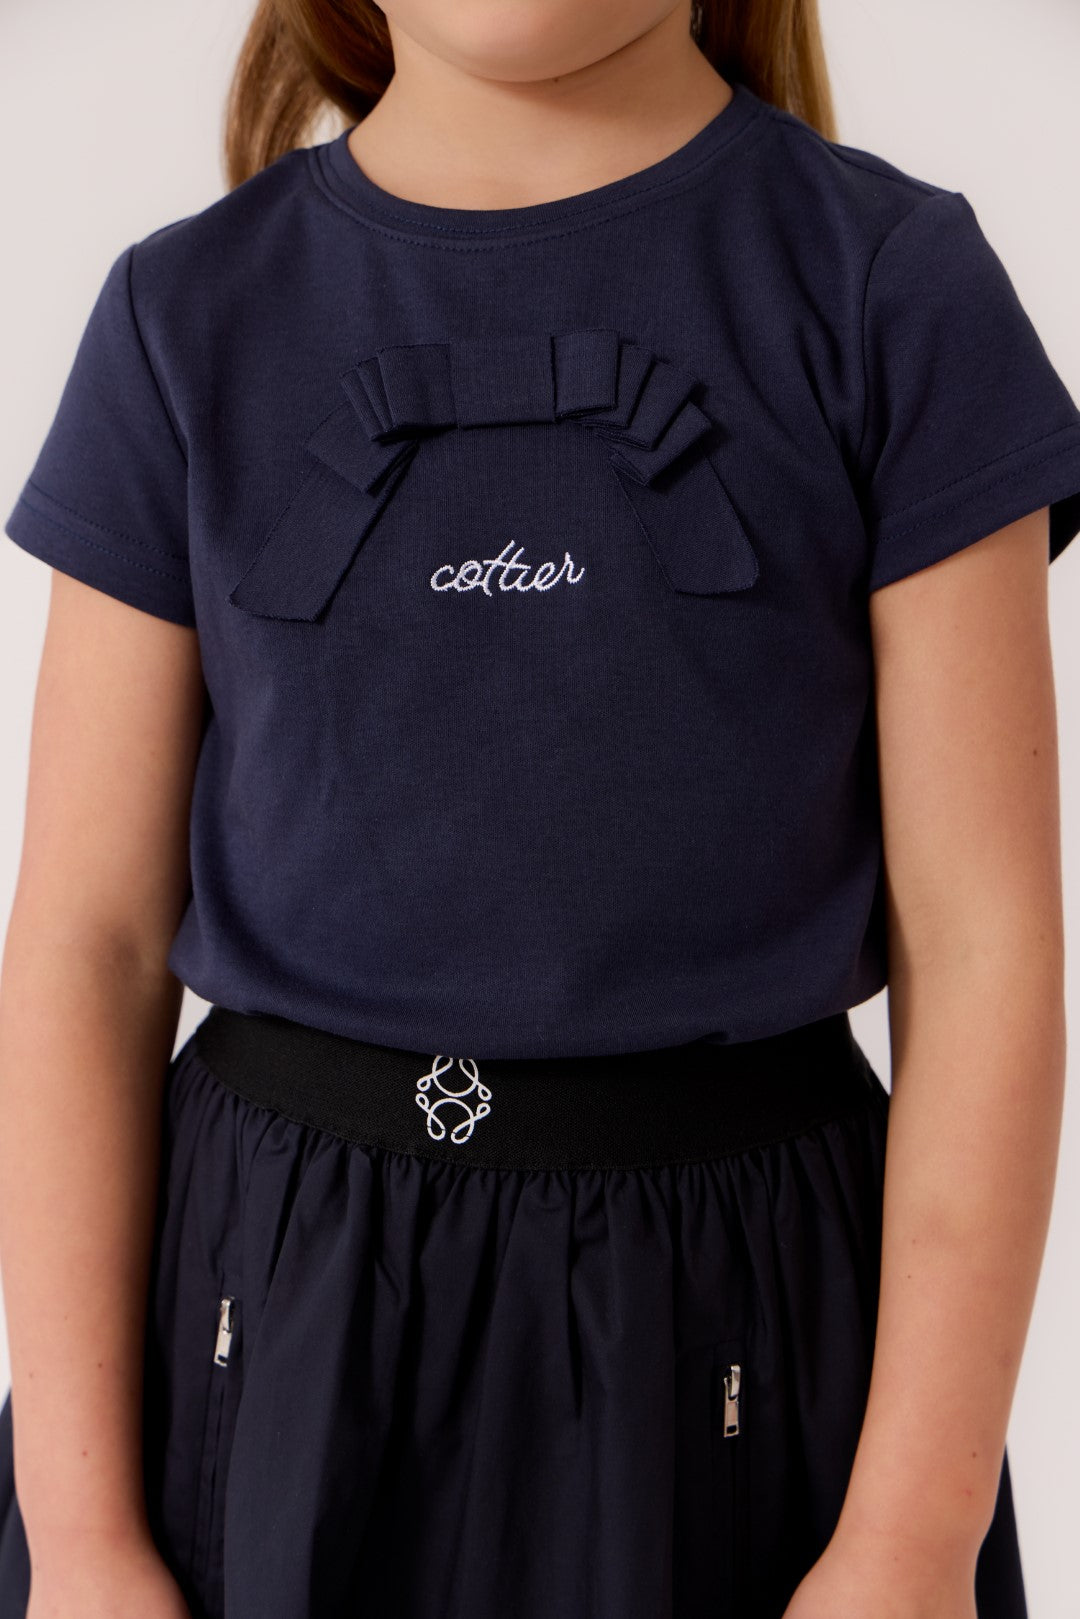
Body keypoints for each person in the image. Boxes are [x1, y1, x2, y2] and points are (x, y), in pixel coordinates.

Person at [0, 1, 1076, 1615]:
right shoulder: (184, 313)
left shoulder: (891, 286)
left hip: (743, 1338)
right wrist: (82, 1534)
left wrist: (912, 1536)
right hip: (261, 1333)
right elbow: (83, 947)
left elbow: (986, 950)